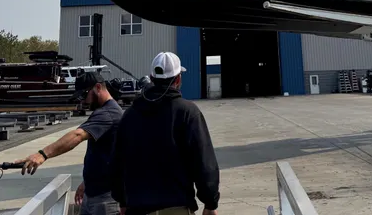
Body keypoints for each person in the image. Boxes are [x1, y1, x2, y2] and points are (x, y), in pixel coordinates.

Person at [111, 51, 220, 215]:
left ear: (151, 78)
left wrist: (122, 200)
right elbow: (204, 163)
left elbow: (117, 162)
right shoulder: (187, 112)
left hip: (137, 208)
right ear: (178, 79)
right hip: (176, 207)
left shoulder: (130, 115)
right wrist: (210, 203)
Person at [15, 71, 123, 215]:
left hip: (105, 200)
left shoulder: (109, 113)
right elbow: (106, 155)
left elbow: (77, 135)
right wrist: (87, 183)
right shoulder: (103, 112)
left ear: (98, 88)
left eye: (85, 95)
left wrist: (42, 155)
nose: (84, 101)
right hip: (94, 193)